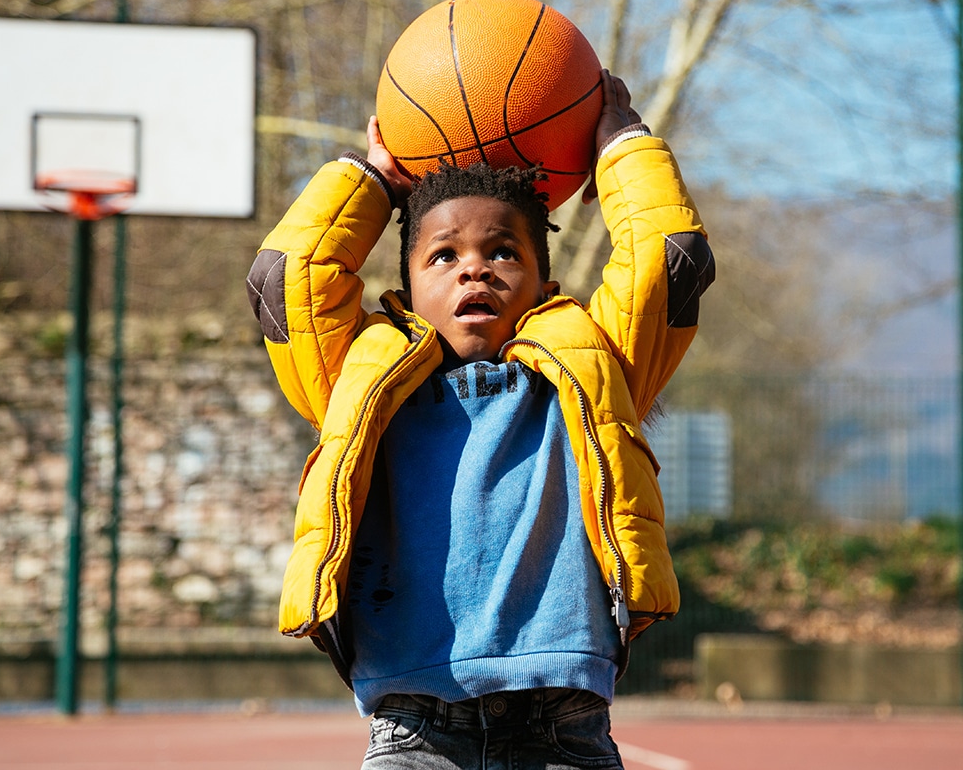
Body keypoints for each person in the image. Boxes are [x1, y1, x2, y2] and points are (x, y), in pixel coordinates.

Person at [246, 70, 714, 769]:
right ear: (406, 290)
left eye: (503, 252)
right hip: (413, 727)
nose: (475, 270)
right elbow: (287, 279)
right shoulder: (362, 377)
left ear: (543, 284)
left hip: (563, 722)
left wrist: (623, 147)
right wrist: (372, 180)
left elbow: (667, 262)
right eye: (445, 255)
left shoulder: (593, 365)